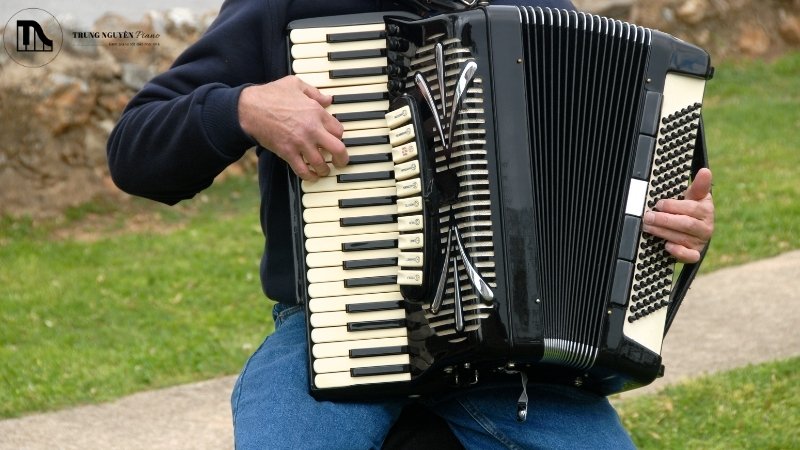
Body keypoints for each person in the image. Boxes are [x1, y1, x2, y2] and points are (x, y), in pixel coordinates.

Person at [107, 0, 716, 448]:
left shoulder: (543, 10)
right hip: (339, 326)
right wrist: (241, 107)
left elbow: (621, 209)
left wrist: (678, 230)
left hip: (513, 365)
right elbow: (135, 151)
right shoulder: (287, 6)